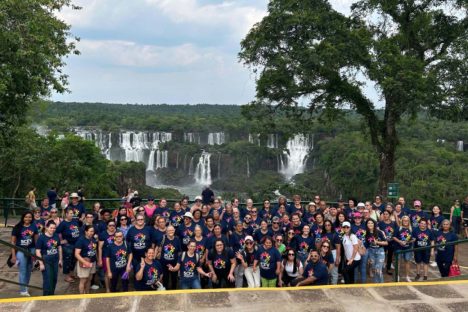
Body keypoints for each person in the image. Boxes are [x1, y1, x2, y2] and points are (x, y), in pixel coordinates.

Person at [11, 211, 38, 296]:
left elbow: (36, 241)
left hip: (31, 249)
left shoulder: (34, 226)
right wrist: (13, 255)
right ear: (23, 217)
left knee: (29, 269)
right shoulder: (17, 227)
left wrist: (36, 253)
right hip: (21, 250)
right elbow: (13, 242)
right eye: (26, 217)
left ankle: (25, 285)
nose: (28, 219)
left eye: (30, 217)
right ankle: (23, 291)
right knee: (22, 270)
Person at [36, 221, 62, 296]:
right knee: (48, 279)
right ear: (46, 227)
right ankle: (46, 296)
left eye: (54, 228)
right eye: (51, 228)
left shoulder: (56, 236)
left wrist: (60, 259)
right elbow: (38, 251)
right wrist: (41, 264)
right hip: (46, 260)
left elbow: (59, 248)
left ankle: (51, 294)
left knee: (54, 279)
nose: (53, 229)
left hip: (55, 259)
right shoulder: (41, 238)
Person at [56, 209, 81, 283]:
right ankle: (67, 276)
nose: (71, 215)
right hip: (68, 245)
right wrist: (61, 241)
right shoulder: (63, 223)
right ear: (66, 214)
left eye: (72, 213)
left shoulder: (75, 221)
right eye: (70, 213)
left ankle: (71, 273)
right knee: (67, 260)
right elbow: (57, 232)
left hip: (76, 244)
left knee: (74, 259)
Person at [75, 225, 98, 294]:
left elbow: (95, 250)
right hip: (84, 262)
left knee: (89, 279)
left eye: (93, 231)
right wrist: (84, 262)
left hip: (92, 262)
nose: (92, 233)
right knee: (83, 280)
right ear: (86, 232)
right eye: (90, 231)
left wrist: (97, 259)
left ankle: (87, 293)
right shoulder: (81, 240)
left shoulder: (93, 239)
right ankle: (82, 295)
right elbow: (76, 254)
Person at [364, 219, 388, 283]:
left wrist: (377, 242)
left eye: (372, 223)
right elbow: (366, 245)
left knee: (378, 269)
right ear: (366, 225)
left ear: (374, 224)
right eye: (368, 223)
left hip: (380, 251)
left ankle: (381, 284)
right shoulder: (366, 233)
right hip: (371, 252)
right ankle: (376, 283)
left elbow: (386, 243)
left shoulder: (379, 232)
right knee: (374, 269)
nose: (370, 224)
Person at [393, 215, 414, 282]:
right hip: (399, 247)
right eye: (404, 220)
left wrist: (408, 241)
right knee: (398, 262)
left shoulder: (411, 229)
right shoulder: (399, 228)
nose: (405, 221)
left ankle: (407, 276)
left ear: (409, 221)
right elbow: (394, 237)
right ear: (402, 221)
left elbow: (414, 238)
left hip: (408, 247)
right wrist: (400, 241)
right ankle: (397, 275)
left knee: (407, 261)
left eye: (407, 220)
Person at [160, 225, 182, 290]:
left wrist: (178, 264)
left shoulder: (177, 239)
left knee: (174, 280)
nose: (171, 231)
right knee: (165, 280)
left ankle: (173, 292)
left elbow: (179, 252)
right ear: (166, 231)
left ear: (174, 231)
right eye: (169, 230)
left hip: (174, 264)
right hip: (164, 264)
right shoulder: (163, 239)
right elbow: (159, 249)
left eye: (172, 230)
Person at [378, 210, 397, 275]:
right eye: (384, 214)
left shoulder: (393, 223)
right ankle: (380, 268)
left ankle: (388, 269)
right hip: (383, 242)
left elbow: (396, 232)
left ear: (390, 215)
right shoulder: (380, 223)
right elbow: (378, 232)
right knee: (382, 255)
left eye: (387, 214)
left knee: (390, 256)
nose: (385, 215)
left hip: (391, 242)